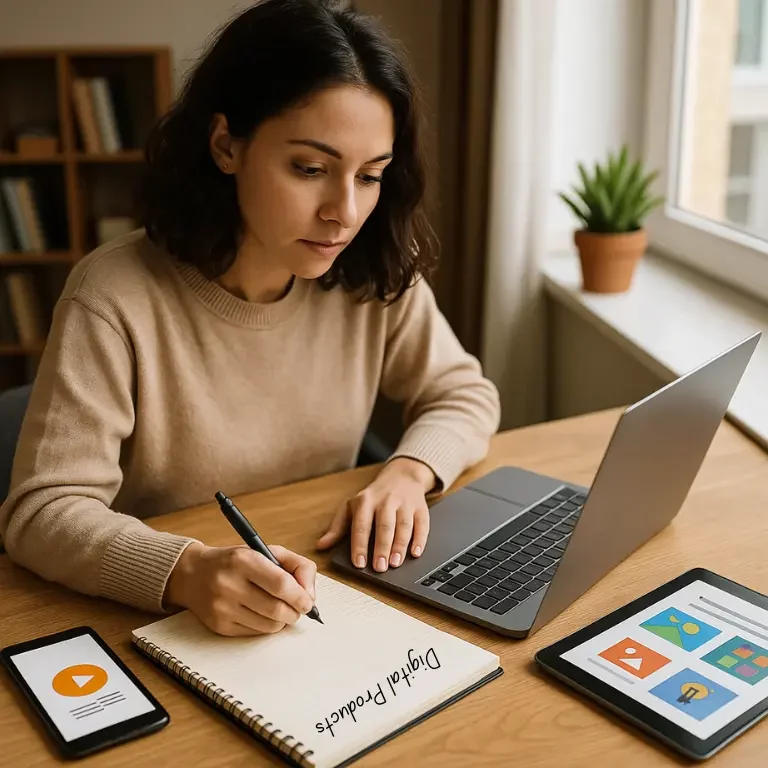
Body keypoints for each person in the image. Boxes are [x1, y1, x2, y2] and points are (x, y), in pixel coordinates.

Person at [0, 0, 500, 637]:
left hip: (327, 595)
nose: (344, 212)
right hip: (170, 622)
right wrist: (184, 569)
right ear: (225, 145)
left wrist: (409, 473)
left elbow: (464, 392)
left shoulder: (367, 269)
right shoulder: (114, 295)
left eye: (371, 175)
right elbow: (42, 511)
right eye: (310, 169)